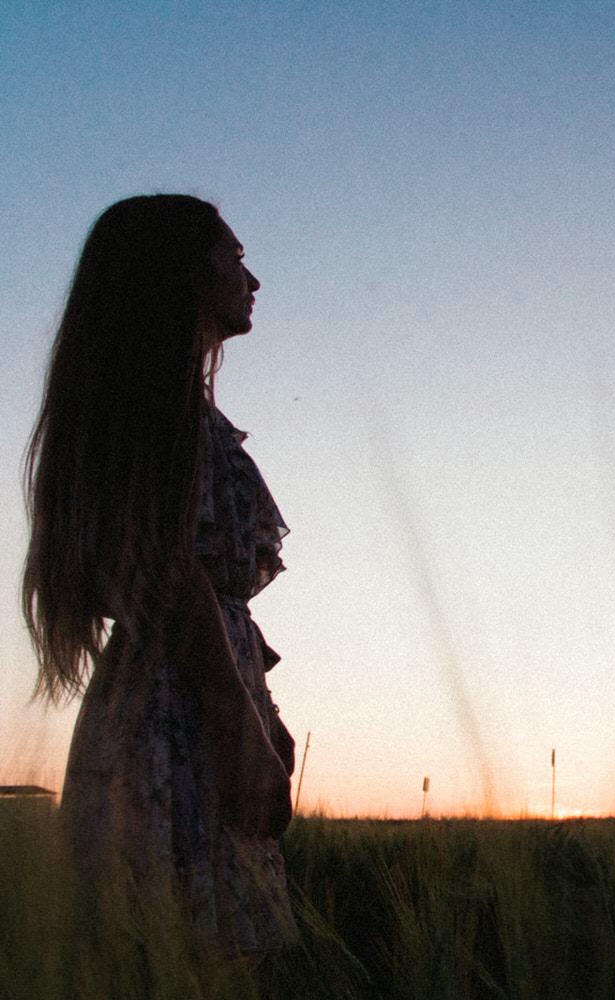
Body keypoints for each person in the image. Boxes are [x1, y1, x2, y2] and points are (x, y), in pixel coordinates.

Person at [22, 195, 297, 956]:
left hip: (198, 696)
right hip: (177, 716)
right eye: (233, 257)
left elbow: (203, 589)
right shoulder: (150, 412)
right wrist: (235, 718)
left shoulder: (174, 410)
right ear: (179, 275)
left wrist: (259, 706)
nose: (253, 278)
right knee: (186, 952)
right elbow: (170, 578)